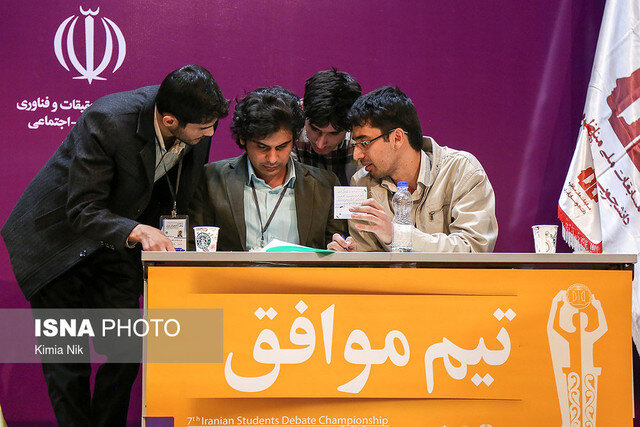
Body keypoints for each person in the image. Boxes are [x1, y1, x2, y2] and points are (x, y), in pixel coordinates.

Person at [1, 64, 229, 426]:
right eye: (204, 128)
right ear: (170, 120)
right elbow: (82, 209)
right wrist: (138, 230)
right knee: (68, 361)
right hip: (58, 244)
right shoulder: (108, 120)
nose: (211, 133)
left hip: (116, 245)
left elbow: (175, 198)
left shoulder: (196, 124)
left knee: (126, 351)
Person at [328, 86, 498, 252]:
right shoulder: (361, 182)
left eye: (364, 143)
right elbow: (369, 254)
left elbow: (474, 248)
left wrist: (398, 235)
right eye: (355, 145)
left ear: (397, 138)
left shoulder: (462, 170)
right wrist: (353, 256)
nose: (356, 155)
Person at [190, 86, 346, 251]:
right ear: (243, 139)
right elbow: (195, 247)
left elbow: (336, 248)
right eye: (262, 147)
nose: (272, 159)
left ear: (294, 140)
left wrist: (341, 249)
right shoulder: (212, 178)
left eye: (281, 147)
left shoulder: (325, 185)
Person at [291, 69, 362, 185]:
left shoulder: (363, 133)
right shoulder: (290, 124)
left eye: (334, 133)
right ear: (303, 109)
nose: (320, 144)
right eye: (315, 129)